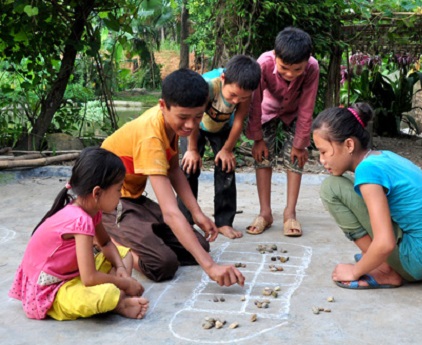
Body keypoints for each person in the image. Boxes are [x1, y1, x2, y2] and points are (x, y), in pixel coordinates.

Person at [101, 68, 245, 287]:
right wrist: (210, 267)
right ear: (162, 106)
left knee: (198, 246)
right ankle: (105, 242)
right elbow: (170, 212)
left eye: (198, 117)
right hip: (109, 204)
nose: (190, 125)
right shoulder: (150, 135)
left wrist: (196, 213)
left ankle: (136, 230)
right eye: (183, 117)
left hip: (133, 198)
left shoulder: (171, 125)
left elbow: (174, 170)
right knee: (162, 264)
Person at [312, 103, 422, 289]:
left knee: (332, 187)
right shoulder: (381, 157)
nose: (322, 160)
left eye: (324, 152)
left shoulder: (367, 171)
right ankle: (379, 261)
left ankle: (385, 270)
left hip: (415, 261)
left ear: (349, 144)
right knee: (343, 186)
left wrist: (355, 271)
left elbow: (385, 243)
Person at [9, 147, 149, 320]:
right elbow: (89, 278)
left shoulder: (91, 211)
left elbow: (105, 243)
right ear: (97, 192)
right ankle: (119, 303)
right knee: (104, 293)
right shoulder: (80, 221)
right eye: (118, 189)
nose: (120, 195)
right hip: (51, 289)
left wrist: (120, 268)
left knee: (124, 255)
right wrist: (124, 282)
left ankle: (116, 296)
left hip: (73, 273)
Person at [245, 27, 320, 237]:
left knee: (295, 157)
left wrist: (300, 143)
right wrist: (257, 138)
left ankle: (290, 213)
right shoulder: (263, 63)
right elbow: (254, 103)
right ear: (275, 56)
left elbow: (307, 105)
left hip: (296, 112)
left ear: (307, 61)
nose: (290, 74)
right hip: (267, 110)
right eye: (285, 68)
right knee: (263, 156)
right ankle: (265, 213)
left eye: (298, 70)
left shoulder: (313, 68)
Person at [178, 55, 261, 239]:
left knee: (226, 167)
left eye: (242, 98)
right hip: (195, 127)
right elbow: (192, 117)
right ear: (223, 79)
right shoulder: (207, 85)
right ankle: (185, 220)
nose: (236, 101)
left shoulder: (244, 93)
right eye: (232, 95)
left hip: (222, 128)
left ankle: (224, 222)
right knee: (188, 169)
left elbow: (239, 121)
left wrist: (227, 150)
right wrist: (191, 150)